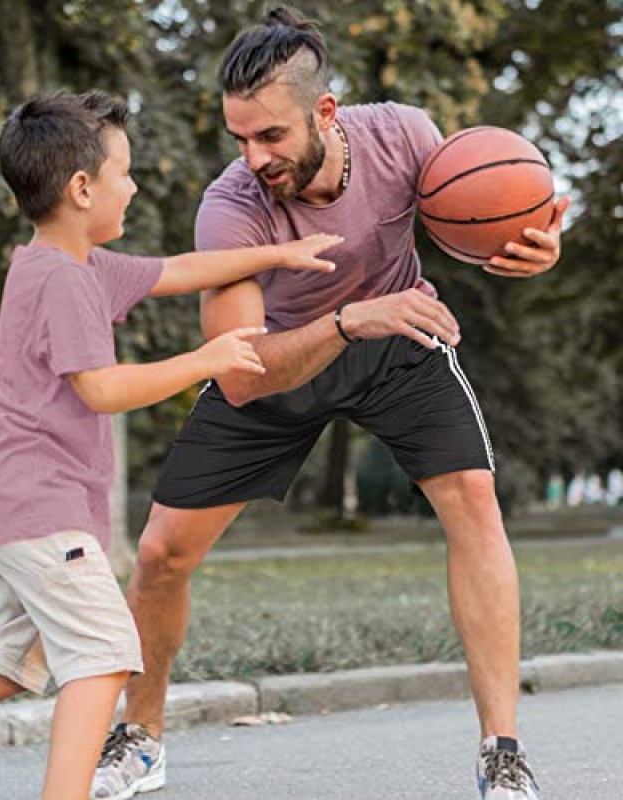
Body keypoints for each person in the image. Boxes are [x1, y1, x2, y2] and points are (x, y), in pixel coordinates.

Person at [91, 8, 570, 800]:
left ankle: (503, 751)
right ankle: (140, 738)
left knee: (474, 502)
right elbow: (240, 374)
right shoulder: (232, 209)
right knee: (158, 555)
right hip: (282, 357)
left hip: (398, 342)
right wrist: (348, 321)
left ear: (325, 112)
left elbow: (492, 202)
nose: (255, 157)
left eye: (271, 136)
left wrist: (535, 242)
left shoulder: (407, 136)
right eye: (240, 138)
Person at [0, 90, 341, 800]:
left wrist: (283, 251)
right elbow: (99, 389)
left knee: (9, 659)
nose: (132, 186)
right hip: (38, 507)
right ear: (80, 189)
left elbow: (176, 270)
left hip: (9, 503)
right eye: (124, 173)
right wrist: (206, 359)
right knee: (103, 657)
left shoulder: (67, 266)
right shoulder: (66, 282)